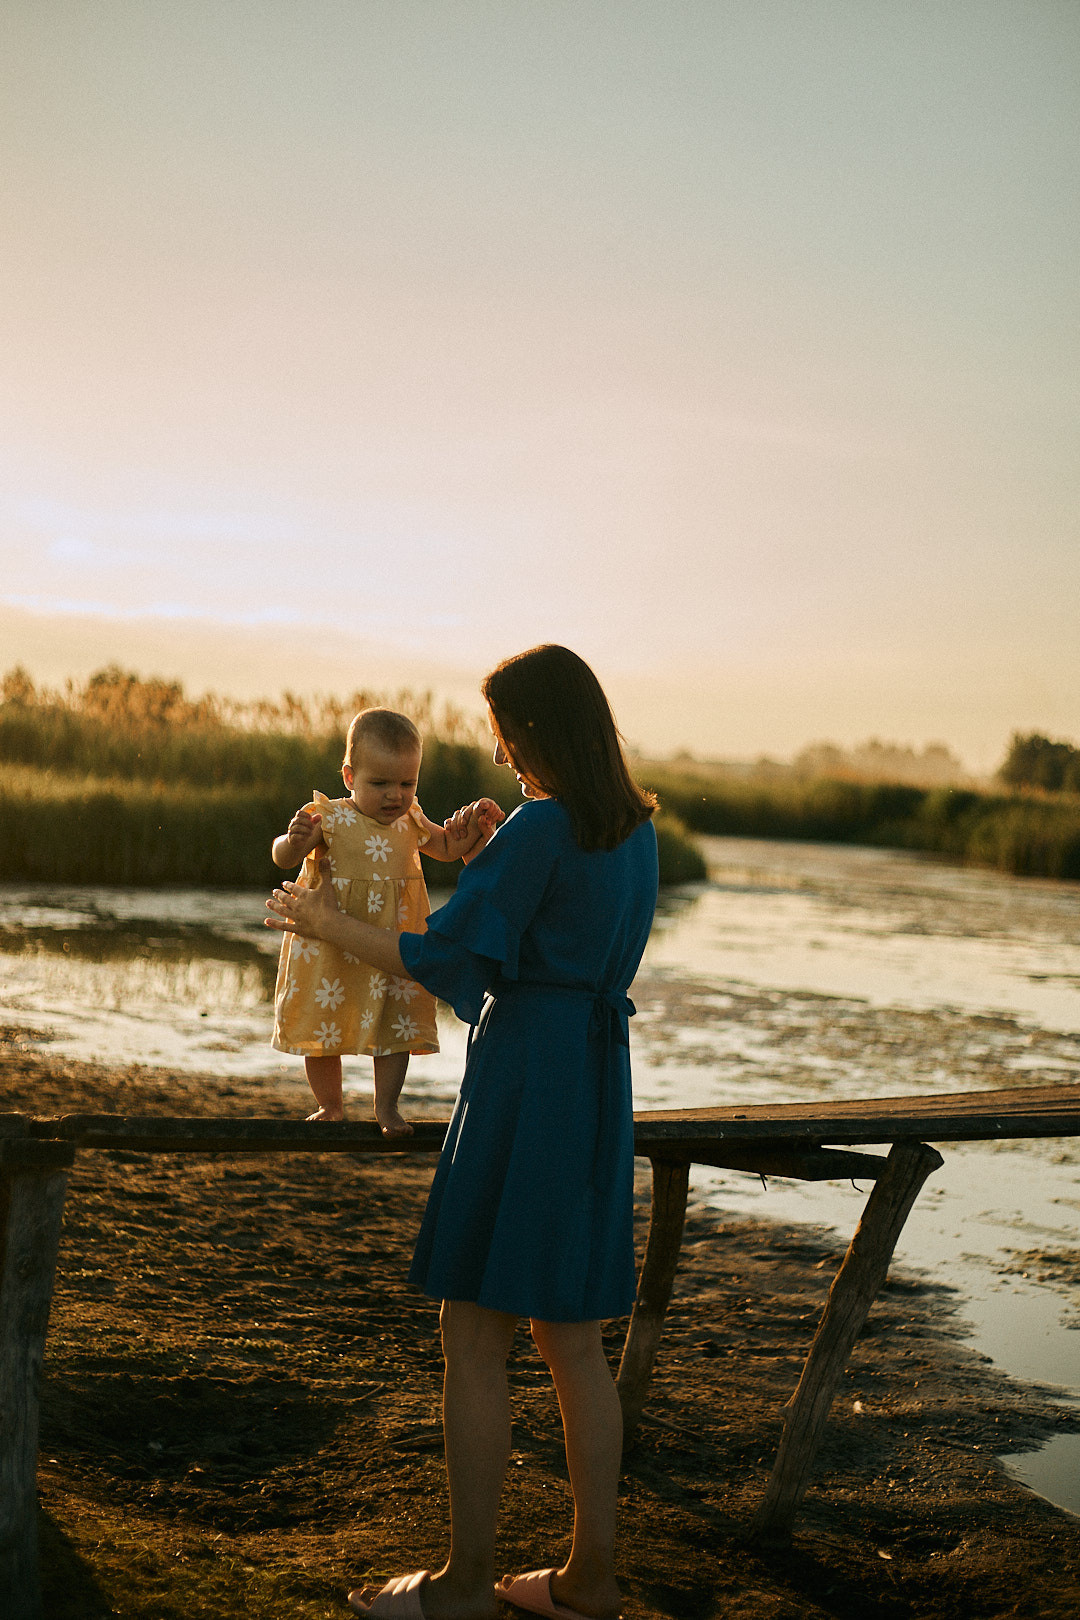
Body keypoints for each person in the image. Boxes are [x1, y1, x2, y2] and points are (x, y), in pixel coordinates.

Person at [265, 646, 659, 1620]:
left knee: (473, 1332)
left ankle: (465, 1586)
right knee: (576, 1344)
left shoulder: (542, 825)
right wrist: (480, 861)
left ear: (536, 731)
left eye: (506, 729)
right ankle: (590, 1580)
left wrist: (320, 920)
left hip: (525, 1079)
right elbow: (546, 921)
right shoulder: (634, 830)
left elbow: (437, 956)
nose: (497, 748)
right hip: (598, 1081)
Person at [270, 706, 501, 1134]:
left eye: (406, 783)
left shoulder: (410, 819)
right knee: (322, 1023)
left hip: (392, 940)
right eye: (380, 784)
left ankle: (387, 1107)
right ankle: (330, 1104)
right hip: (332, 944)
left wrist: (474, 822)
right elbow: (283, 857)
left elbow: (448, 847)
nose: (395, 795)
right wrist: (292, 840)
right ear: (349, 777)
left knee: (395, 1023)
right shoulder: (330, 817)